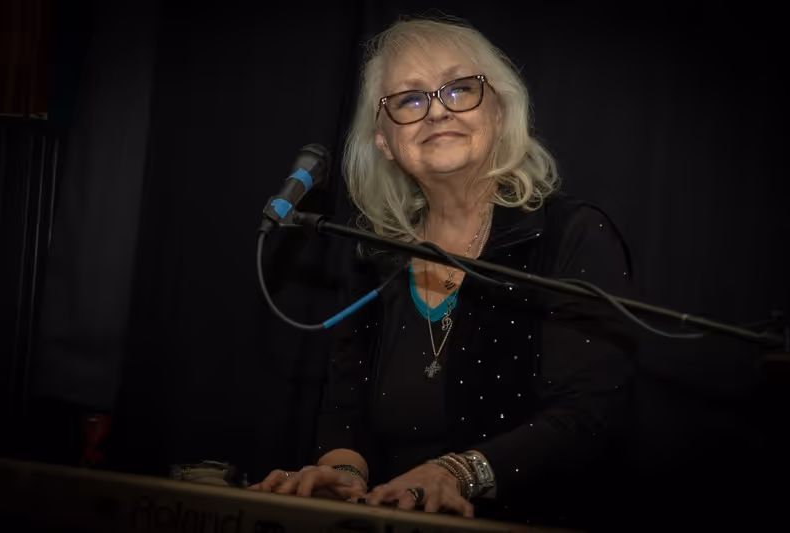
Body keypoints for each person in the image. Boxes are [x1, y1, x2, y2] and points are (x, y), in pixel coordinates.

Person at [251, 16, 636, 527]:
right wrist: (341, 474)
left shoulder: (572, 235)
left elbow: (590, 414)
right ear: (384, 141)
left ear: (500, 111)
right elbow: (346, 411)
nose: (436, 111)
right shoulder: (375, 255)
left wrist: (457, 473)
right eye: (409, 100)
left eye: (460, 89)